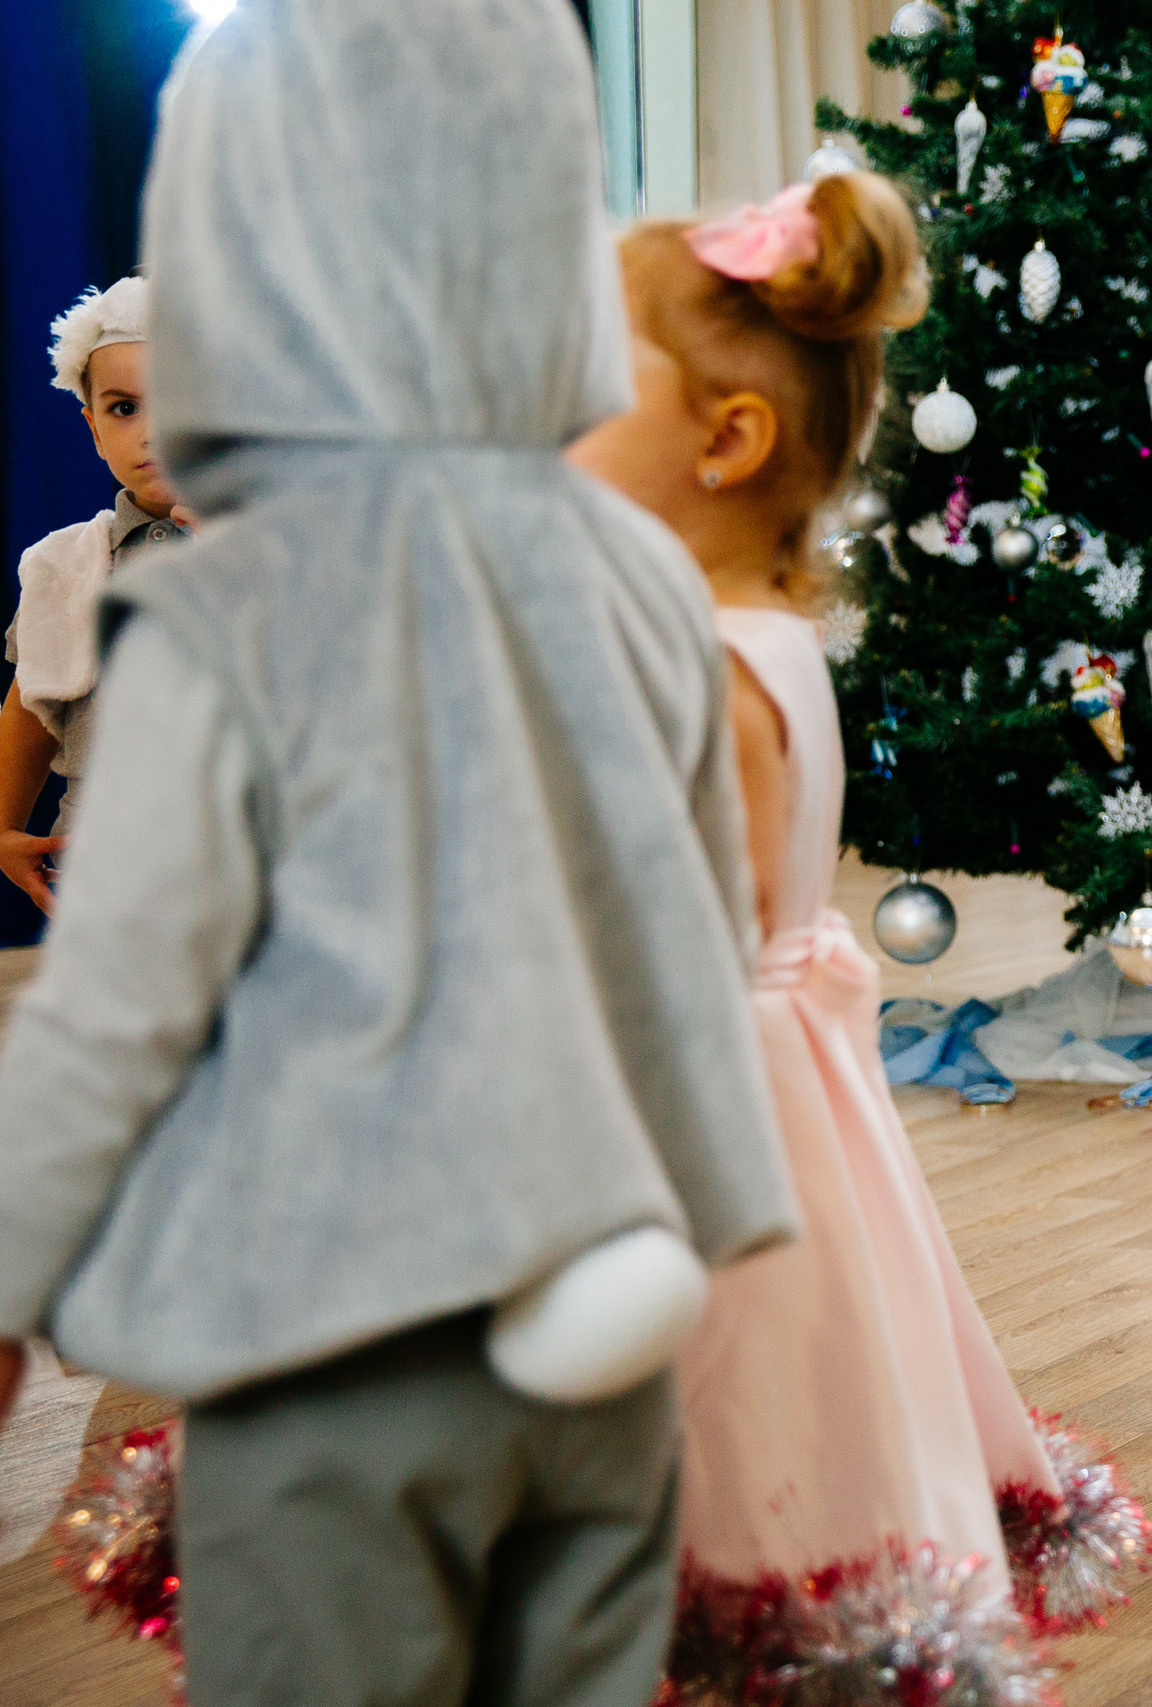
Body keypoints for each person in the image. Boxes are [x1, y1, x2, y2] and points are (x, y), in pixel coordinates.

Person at [0, 3, 798, 1703]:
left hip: (327, 1328)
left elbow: (115, 1008)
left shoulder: (223, 616)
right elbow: (696, 927)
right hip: (601, 1325)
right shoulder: (647, 576)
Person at [567, 173, 1104, 1662]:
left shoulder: (699, 668)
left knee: (721, 1446)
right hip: (759, 1099)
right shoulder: (759, 635)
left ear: (725, 442)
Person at [1, 277, 194, 913]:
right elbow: (31, 706)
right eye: (124, 408)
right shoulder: (65, 565)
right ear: (92, 428)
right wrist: (3, 827)